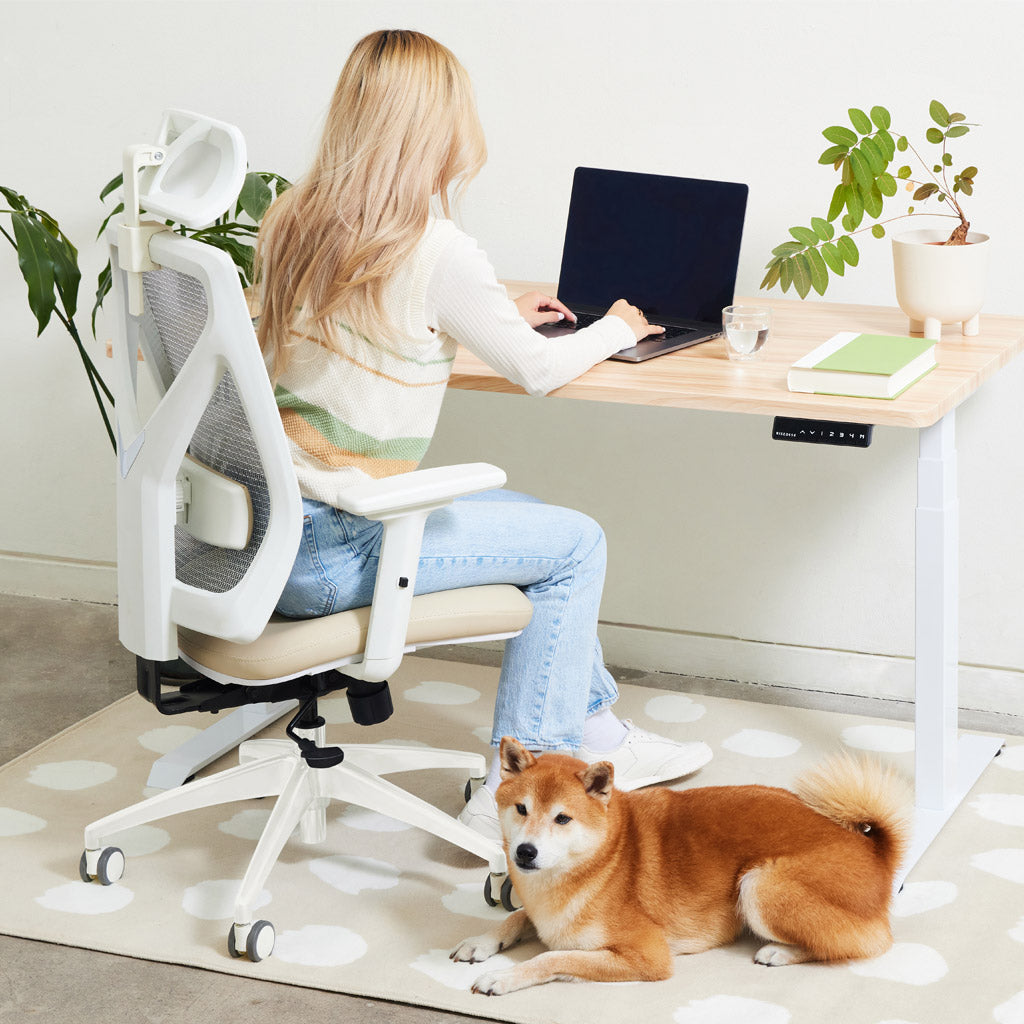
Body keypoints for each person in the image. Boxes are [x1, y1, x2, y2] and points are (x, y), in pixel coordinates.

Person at [255, 28, 711, 841]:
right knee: (576, 546)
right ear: (434, 128)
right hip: (336, 549)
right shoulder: (436, 249)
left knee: (533, 520)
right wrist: (613, 327)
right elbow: (537, 371)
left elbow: (364, 339)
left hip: (271, 534)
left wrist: (484, 319)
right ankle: (522, 790)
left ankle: (598, 731)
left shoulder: (292, 217)